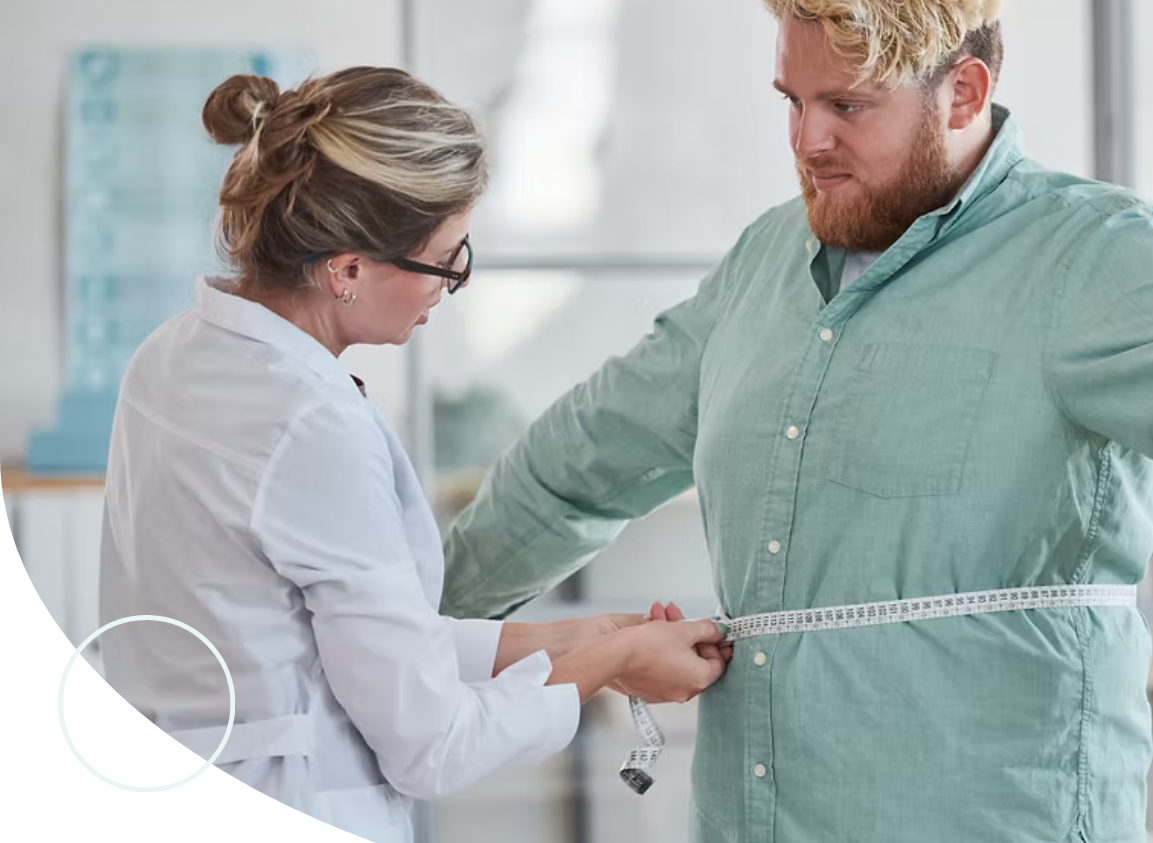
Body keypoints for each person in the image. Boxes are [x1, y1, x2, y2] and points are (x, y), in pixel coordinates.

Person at [439, 2, 1153, 842]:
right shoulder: (766, 262)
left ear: (962, 91)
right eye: (791, 102)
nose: (807, 140)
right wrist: (398, 631)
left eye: (846, 105)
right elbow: (576, 464)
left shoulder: (1092, 256)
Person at [96, 67, 731, 842]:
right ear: (349, 266)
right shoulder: (309, 425)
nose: (450, 287)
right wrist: (606, 664)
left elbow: (350, 643)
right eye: (445, 261)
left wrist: (590, 638)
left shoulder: (172, 355)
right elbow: (431, 744)